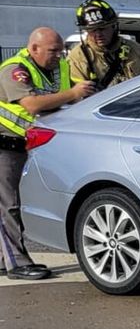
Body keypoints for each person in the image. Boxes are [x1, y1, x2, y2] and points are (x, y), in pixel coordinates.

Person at [1, 28, 95, 280]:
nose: (58, 55)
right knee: (7, 205)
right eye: (53, 50)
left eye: (61, 50)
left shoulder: (59, 69)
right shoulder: (14, 69)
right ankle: (16, 263)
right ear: (34, 49)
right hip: (4, 143)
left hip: (30, 144)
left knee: (15, 202)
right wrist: (74, 94)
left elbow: (60, 101)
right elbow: (31, 105)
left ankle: (4, 259)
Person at [66, 0, 140, 91]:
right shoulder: (77, 58)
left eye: (103, 28)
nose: (98, 34)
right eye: (93, 30)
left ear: (114, 26)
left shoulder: (135, 50)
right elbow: (79, 97)